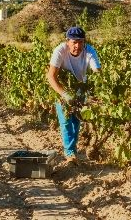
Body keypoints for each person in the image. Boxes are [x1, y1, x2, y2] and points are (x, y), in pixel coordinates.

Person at [46, 26, 101, 165]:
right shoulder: (59, 51)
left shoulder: (90, 51)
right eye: (74, 42)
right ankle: (70, 152)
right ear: (67, 41)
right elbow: (51, 76)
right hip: (62, 87)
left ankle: (73, 149)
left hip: (80, 88)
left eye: (80, 42)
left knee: (76, 120)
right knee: (65, 121)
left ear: (84, 42)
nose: (77, 45)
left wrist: (96, 93)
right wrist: (64, 94)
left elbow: (97, 73)